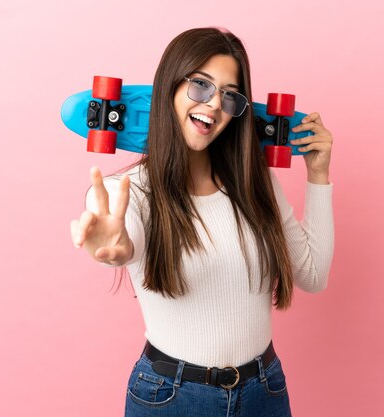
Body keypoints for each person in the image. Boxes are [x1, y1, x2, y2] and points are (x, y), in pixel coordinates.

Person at [70, 27, 334, 417]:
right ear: (169, 89)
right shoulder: (127, 193)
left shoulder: (255, 184)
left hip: (264, 392)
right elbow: (121, 240)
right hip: (171, 397)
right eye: (200, 86)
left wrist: (318, 176)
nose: (213, 104)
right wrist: (116, 249)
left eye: (230, 95)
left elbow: (312, 275)